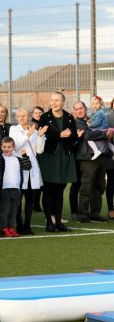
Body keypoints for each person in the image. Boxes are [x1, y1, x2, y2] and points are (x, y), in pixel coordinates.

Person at [39, 91, 78, 232]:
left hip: (65, 156)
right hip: (49, 157)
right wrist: (59, 135)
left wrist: (71, 136)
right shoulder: (45, 117)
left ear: (63, 102)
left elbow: (73, 137)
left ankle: (59, 222)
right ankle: (49, 222)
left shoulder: (68, 117)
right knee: (49, 190)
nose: (54, 103)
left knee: (60, 190)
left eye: (57, 100)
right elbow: (43, 135)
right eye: (52, 100)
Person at [73, 100, 114, 223]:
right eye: (77, 109)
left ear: (86, 108)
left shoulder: (93, 119)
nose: (79, 110)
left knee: (99, 185)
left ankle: (95, 214)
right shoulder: (78, 123)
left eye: (81, 108)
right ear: (75, 111)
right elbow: (87, 135)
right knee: (87, 185)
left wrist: (109, 133)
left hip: (101, 156)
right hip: (87, 157)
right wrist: (104, 134)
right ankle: (83, 214)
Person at [9, 108, 45, 234]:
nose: (21, 118)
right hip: (19, 168)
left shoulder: (34, 132)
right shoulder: (14, 129)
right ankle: (19, 225)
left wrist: (40, 136)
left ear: (29, 116)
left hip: (32, 169)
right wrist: (27, 135)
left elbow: (39, 150)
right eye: (19, 116)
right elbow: (15, 146)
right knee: (19, 199)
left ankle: (27, 225)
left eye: (23, 116)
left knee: (30, 198)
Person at [0, 137, 25, 237]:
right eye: (4, 147)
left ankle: (11, 228)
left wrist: (25, 155)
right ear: (1, 147)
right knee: (5, 210)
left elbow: (28, 166)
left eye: (9, 147)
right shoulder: (0, 158)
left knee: (14, 211)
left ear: (13, 147)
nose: (6, 149)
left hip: (16, 188)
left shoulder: (17, 158)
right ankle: (4, 228)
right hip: (5, 188)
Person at [87, 96, 109, 161]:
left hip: (100, 129)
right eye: (93, 104)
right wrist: (90, 120)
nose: (95, 105)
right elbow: (95, 119)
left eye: (97, 103)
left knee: (88, 138)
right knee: (107, 142)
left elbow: (97, 123)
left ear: (101, 104)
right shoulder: (98, 112)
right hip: (103, 129)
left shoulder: (99, 113)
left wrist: (89, 125)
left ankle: (96, 151)